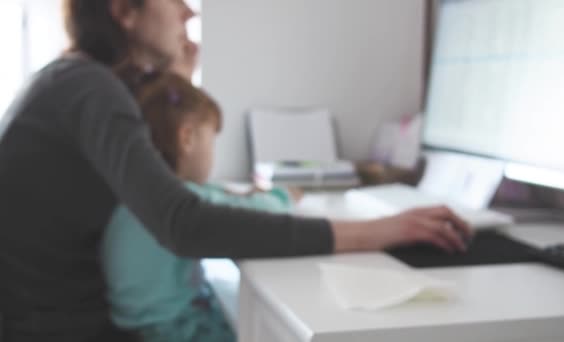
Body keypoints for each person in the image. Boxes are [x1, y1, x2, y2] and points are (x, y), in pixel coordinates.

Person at [0, 0, 471, 341]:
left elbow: (157, 158)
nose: (189, 13)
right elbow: (184, 223)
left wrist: (178, 78)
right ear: (124, 10)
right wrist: (373, 232)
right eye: (175, 1)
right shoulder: (88, 89)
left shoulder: (74, 83)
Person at [103, 70, 295, 342]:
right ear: (188, 138)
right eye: (211, 140)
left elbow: (214, 195)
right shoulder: (182, 201)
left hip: (132, 326)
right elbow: (256, 215)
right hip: (172, 329)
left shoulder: (136, 194)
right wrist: (283, 197)